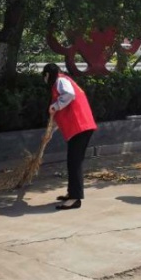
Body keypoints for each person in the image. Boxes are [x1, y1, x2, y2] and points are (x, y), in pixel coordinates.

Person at [43, 63, 97, 211]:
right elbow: (58, 114)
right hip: (80, 128)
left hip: (80, 127)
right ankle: (71, 193)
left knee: (74, 163)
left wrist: (55, 105)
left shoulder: (61, 80)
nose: (45, 80)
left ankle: (75, 198)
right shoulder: (61, 83)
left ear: (47, 75)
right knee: (72, 162)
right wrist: (50, 133)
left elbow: (69, 95)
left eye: (44, 77)